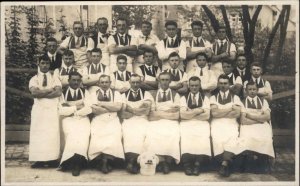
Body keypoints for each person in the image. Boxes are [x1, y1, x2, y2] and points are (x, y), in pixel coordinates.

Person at [28, 56, 62, 168]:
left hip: (52, 109)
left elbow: (58, 92)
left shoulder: (54, 77)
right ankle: (39, 160)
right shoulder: (34, 78)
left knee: (52, 133)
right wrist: (49, 90)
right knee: (39, 133)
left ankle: (52, 159)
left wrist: (42, 93)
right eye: (42, 63)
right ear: (38, 63)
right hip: (39, 109)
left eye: (47, 63)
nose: (45, 65)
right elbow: (34, 93)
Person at [145, 72, 181, 174]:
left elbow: (176, 115)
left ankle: (168, 162)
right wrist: (168, 112)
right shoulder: (152, 94)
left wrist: (159, 113)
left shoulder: (176, 95)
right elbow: (151, 114)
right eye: (162, 80)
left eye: (166, 80)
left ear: (170, 81)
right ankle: (160, 161)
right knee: (152, 133)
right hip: (156, 121)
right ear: (159, 81)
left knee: (173, 133)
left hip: (171, 121)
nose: (164, 82)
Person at [88, 75, 124, 174]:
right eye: (102, 82)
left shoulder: (115, 93)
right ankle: (102, 160)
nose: (104, 84)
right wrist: (110, 107)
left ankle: (107, 160)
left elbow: (118, 107)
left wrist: (102, 104)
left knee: (115, 133)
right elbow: (95, 110)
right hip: (98, 119)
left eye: (106, 82)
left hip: (112, 119)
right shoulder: (93, 94)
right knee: (97, 134)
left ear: (110, 83)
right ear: (98, 83)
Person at [58, 71, 92, 176]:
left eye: (78, 80)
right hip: (68, 119)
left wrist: (71, 109)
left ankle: (76, 161)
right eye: (73, 80)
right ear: (68, 81)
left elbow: (89, 109)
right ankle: (71, 161)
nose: (76, 82)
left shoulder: (85, 92)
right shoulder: (63, 93)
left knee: (84, 133)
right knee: (72, 133)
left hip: (82, 118)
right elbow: (61, 111)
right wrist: (77, 107)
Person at [210, 74, 242, 177]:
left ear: (229, 84)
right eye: (221, 83)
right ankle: (225, 163)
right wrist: (229, 109)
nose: (223, 85)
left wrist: (220, 111)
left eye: (225, 83)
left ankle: (224, 164)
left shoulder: (235, 97)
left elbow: (236, 113)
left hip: (231, 122)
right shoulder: (213, 97)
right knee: (217, 137)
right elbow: (214, 114)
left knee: (232, 136)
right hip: (217, 122)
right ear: (218, 84)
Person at [120, 74, 153, 174]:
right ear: (129, 83)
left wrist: (131, 109)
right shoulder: (123, 95)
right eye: (133, 82)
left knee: (143, 133)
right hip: (129, 120)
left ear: (140, 83)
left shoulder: (146, 94)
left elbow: (146, 111)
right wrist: (138, 111)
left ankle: (136, 161)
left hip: (143, 120)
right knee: (128, 132)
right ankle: (131, 160)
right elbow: (123, 114)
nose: (135, 84)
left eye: (137, 82)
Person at [239, 82, 275, 173]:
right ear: (246, 91)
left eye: (254, 89)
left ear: (257, 90)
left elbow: (267, 117)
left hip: (262, 126)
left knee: (266, 137)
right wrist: (260, 119)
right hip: (248, 125)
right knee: (246, 136)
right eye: (250, 89)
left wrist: (250, 116)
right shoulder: (242, 102)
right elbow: (243, 120)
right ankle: (248, 162)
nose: (252, 91)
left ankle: (262, 161)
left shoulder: (263, 101)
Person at [180, 76, 211, 176]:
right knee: (186, 136)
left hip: (201, 123)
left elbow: (207, 115)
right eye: (192, 85)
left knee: (203, 135)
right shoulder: (183, 98)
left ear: (200, 85)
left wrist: (190, 113)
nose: (194, 88)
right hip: (186, 123)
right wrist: (199, 110)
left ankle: (198, 164)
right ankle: (187, 164)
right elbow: (183, 115)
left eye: (196, 85)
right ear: (189, 86)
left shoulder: (205, 98)